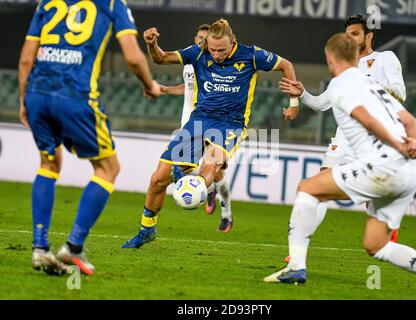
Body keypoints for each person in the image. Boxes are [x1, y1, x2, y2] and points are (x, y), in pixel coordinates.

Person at [265, 33, 416, 296]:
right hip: (408, 172)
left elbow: (366, 120)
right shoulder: (373, 86)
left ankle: (295, 266)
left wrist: (398, 146)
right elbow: (411, 122)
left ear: (330, 59)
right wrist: (415, 144)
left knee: (308, 189)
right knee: (377, 245)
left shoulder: (341, 84)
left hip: (382, 166)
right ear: (356, 57)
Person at [121, 18, 299, 248]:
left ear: (233, 42)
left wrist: (294, 103)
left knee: (211, 166)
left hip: (230, 125)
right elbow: (161, 58)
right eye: (212, 50)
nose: (216, 55)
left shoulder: (252, 55)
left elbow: (286, 65)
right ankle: (147, 229)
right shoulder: (198, 52)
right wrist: (152, 45)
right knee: (157, 179)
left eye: (222, 50)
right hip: (199, 121)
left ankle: (193, 185)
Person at [19, 0, 161, 275]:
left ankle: (40, 248)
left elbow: (26, 58)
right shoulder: (111, 3)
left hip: (38, 94)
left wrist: (25, 100)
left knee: (48, 165)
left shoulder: (47, 3)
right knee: (109, 168)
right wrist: (150, 85)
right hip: (75, 97)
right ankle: (73, 248)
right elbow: (132, 57)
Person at [280, 14, 406, 264]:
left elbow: (400, 93)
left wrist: (374, 91)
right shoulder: (343, 69)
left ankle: (388, 224)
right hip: (345, 137)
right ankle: (300, 247)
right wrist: (302, 93)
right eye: (348, 34)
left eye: (356, 34)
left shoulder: (384, 59)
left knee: (376, 195)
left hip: (375, 137)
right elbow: (321, 103)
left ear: (369, 36)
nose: (350, 38)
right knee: (319, 188)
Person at [160, 24, 234, 233]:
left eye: (206, 39)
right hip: (189, 121)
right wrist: (166, 89)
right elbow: (188, 88)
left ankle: (226, 210)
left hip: (212, 122)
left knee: (214, 170)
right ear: (196, 38)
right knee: (189, 169)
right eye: (200, 38)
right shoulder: (189, 62)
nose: (203, 42)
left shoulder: (215, 64)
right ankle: (208, 189)